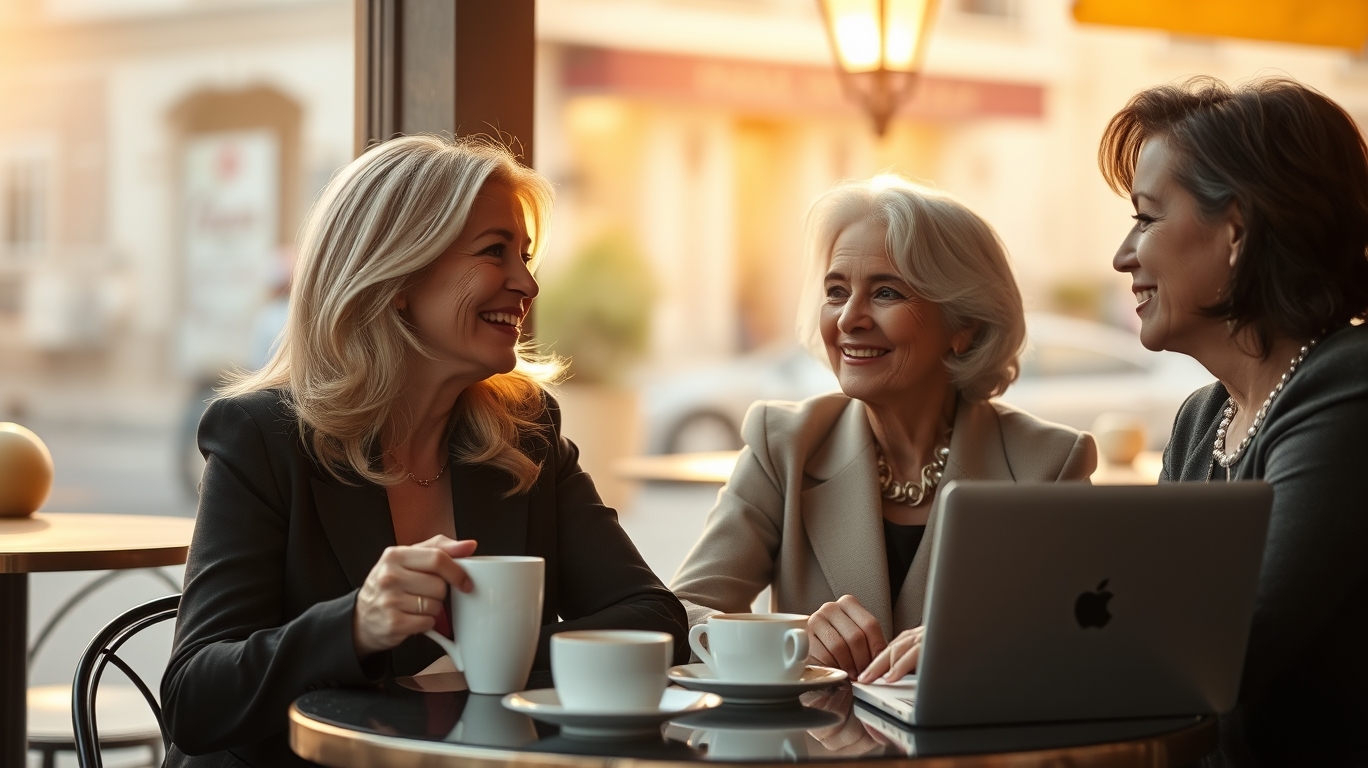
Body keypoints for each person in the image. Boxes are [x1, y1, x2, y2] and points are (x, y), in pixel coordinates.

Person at [161, 135, 688, 767]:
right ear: (400, 276)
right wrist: (355, 624)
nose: (528, 283)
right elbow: (195, 699)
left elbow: (656, 617)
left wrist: (489, 656)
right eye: (496, 253)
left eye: (524, 255)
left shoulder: (524, 434)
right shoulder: (262, 436)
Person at [670, 175, 1097, 684]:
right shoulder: (783, 444)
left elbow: (1087, 640)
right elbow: (679, 615)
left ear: (966, 327)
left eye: (886, 292)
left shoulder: (1048, 464)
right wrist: (788, 636)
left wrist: (976, 644)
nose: (849, 318)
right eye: (836, 291)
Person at [1100, 77, 1368, 767]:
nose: (1123, 255)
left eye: (1147, 218)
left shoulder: (1350, 385)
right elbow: (1145, 617)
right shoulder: (1200, 420)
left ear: (1237, 232)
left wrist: (1011, 644)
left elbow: (1225, 650)